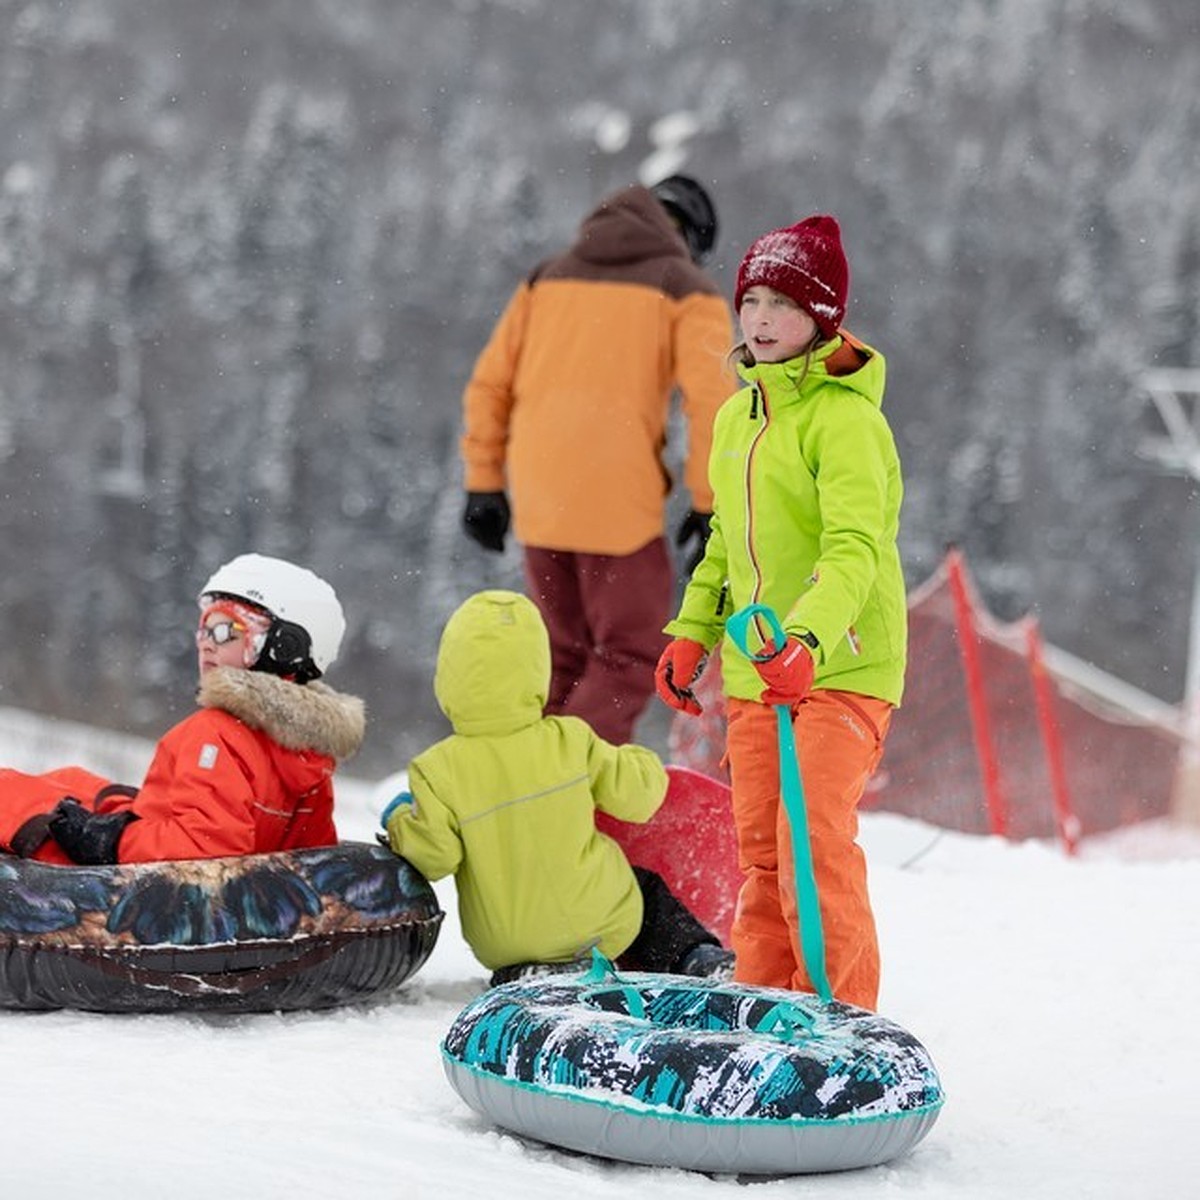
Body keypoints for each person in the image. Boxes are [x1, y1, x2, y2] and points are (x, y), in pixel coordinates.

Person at [654, 216, 907, 1011]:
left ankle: (840, 1018)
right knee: (762, 849)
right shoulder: (739, 418)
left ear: (822, 319)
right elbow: (727, 544)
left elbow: (854, 549)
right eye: (751, 300)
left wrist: (807, 639)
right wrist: (693, 631)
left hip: (840, 666)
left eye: (783, 305)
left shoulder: (847, 421)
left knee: (812, 839)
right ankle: (764, 1005)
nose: (759, 320)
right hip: (758, 673)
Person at [459, 176, 734, 744]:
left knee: (560, 656)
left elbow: (490, 385)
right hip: (617, 503)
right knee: (631, 654)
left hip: (539, 497)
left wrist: (484, 485)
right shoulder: (686, 288)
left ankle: (521, 784)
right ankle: (566, 787)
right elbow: (711, 406)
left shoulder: (546, 278)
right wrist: (713, 505)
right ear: (692, 238)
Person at [380, 589, 733, 986]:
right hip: (596, 919)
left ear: (447, 677)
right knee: (643, 892)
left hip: (505, 941)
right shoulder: (569, 740)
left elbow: (433, 857)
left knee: (536, 928)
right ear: (537, 671)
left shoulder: (436, 770)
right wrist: (639, 761)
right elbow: (640, 798)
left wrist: (399, 819)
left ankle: (527, 970)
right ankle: (693, 957)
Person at [0, 553, 365, 865]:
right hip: (159, 836)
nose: (206, 643)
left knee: (11, 794)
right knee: (75, 780)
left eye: (224, 630)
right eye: (203, 630)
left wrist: (110, 841)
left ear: (283, 646)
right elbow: (309, 855)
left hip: (137, 881)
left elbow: (205, 851)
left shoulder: (217, 732)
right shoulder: (308, 754)